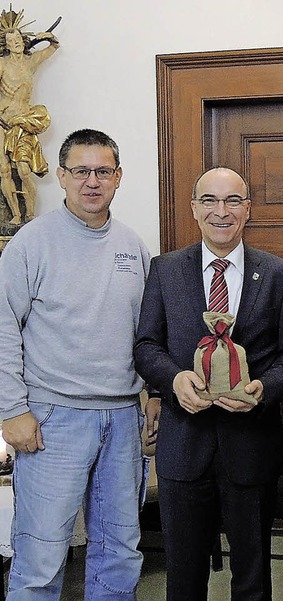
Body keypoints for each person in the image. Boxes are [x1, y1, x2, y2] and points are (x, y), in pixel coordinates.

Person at [134, 167, 283, 601]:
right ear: (194, 209)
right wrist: (173, 380)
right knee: (184, 579)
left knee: (252, 577)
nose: (221, 211)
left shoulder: (280, 274)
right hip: (183, 448)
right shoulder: (165, 269)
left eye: (233, 201)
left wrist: (264, 389)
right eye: (209, 200)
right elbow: (147, 346)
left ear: (247, 210)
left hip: (250, 447)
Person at [0, 128, 150, 600]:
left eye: (103, 171)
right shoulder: (31, 242)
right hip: (51, 419)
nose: (92, 181)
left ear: (119, 177)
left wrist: (153, 396)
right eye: (81, 171)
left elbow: (145, 334)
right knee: (41, 556)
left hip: (123, 418)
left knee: (119, 551)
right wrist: (12, 411)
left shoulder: (134, 246)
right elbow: (3, 328)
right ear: (61, 177)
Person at [0, 13, 58, 224]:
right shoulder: (2, 64)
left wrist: (48, 37)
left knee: (25, 171)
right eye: (10, 41)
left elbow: (53, 48)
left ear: (23, 40)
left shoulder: (31, 61)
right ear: (6, 45)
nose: (15, 43)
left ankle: (30, 215)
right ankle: (16, 214)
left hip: (22, 122)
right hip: (2, 122)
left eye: (17, 39)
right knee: (4, 170)